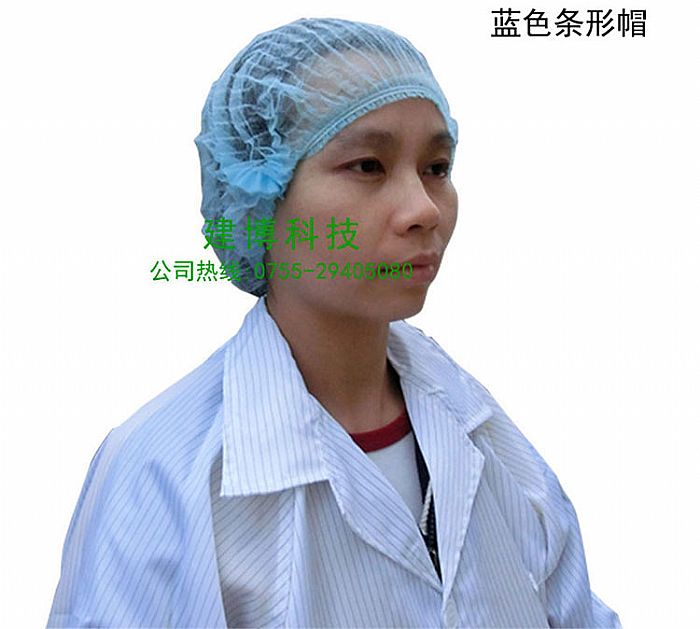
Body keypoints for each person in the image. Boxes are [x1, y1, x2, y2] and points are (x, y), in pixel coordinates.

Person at [47, 17, 621, 628]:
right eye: (369, 166)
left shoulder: (479, 426)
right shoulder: (163, 473)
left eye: (437, 167)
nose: (424, 209)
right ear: (259, 197)